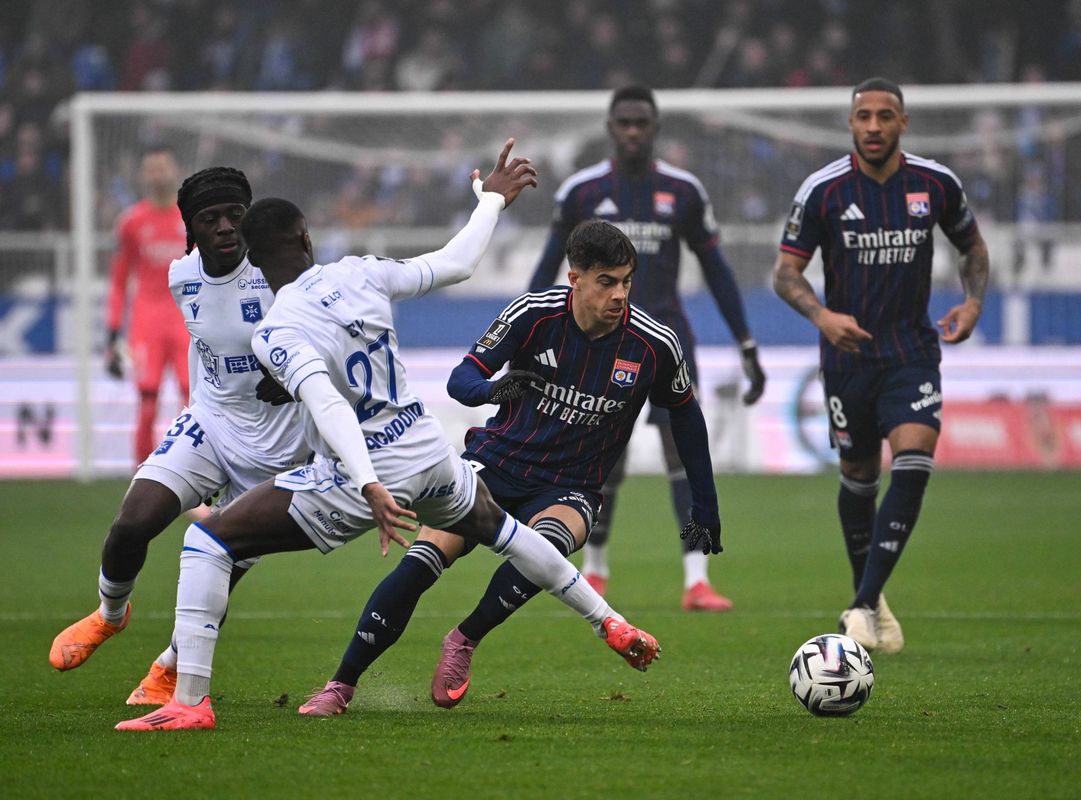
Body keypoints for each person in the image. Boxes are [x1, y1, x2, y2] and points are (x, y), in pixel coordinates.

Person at [115, 141, 671, 732]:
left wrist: (369, 484)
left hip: (367, 473)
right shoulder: (360, 272)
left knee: (208, 542)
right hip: (430, 451)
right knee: (504, 531)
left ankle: (190, 702)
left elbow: (326, 404)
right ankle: (608, 620)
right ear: (307, 239)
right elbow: (455, 264)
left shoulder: (276, 328)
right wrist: (490, 203)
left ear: (253, 256)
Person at [298, 219, 722, 716]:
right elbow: (462, 380)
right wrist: (490, 389)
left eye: (626, 281)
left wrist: (705, 505)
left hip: (572, 484)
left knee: (544, 550)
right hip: (495, 464)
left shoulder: (654, 344)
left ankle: (464, 638)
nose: (619, 294)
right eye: (606, 281)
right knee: (425, 559)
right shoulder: (532, 314)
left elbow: (687, 419)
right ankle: (341, 685)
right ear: (576, 278)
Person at [50, 167, 308, 706]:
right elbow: (205, 344)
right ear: (190, 228)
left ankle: (170, 667)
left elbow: (329, 330)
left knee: (218, 566)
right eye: (210, 218)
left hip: (279, 452)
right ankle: (109, 615)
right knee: (130, 524)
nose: (225, 227)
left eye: (235, 215)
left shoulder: (283, 273)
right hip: (210, 425)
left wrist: (293, 377)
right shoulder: (179, 277)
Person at [771, 77, 990, 654]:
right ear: (850, 124)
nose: (873, 126)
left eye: (885, 115)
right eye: (863, 116)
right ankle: (868, 595)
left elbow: (973, 248)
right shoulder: (822, 191)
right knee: (860, 475)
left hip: (911, 351)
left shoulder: (935, 184)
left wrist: (972, 302)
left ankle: (863, 603)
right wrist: (821, 317)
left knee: (915, 456)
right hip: (848, 359)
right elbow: (785, 273)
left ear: (903, 123)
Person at [528, 85, 763, 612]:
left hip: (667, 343)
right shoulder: (581, 192)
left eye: (642, 123)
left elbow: (718, 272)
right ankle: (597, 569)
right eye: (624, 122)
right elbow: (546, 271)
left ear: (654, 128)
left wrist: (746, 342)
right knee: (602, 460)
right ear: (611, 127)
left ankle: (697, 578)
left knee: (685, 456)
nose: (633, 131)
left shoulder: (683, 191)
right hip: (595, 347)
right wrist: (532, 341)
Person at [104, 145, 191, 464]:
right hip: (147, 323)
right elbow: (118, 282)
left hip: (187, 324)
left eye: (162, 167)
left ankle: (195, 475)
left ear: (175, 169)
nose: (157, 175)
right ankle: (143, 480)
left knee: (193, 402)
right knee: (148, 403)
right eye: (151, 168)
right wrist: (113, 334)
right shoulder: (132, 222)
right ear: (143, 175)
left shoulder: (192, 218)